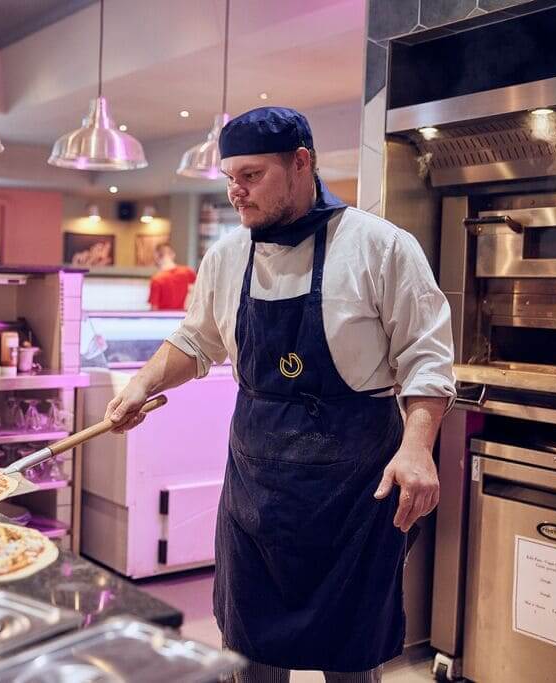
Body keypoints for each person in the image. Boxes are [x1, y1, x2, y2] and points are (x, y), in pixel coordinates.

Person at [104, 107, 455, 683]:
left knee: (351, 656)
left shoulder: (380, 247)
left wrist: (417, 448)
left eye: (251, 175)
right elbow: (197, 341)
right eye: (229, 178)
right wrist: (141, 385)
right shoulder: (226, 256)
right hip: (257, 492)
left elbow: (427, 357)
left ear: (301, 163)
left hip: (355, 491)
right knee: (248, 651)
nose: (235, 193)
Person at [148, 242, 196, 310]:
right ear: (173, 255)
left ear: (156, 257)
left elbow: (154, 309)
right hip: (184, 316)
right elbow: (199, 295)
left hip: (165, 319)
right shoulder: (188, 272)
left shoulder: (157, 279)